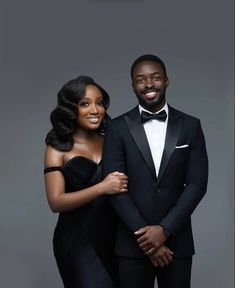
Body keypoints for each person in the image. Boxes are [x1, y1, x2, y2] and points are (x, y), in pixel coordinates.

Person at [102, 54, 208, 288]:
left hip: (177, 243)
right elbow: (114, 188)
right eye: (140, 80)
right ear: (132, 86)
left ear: (167, 81)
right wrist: (148, 238)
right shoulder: (117, 128)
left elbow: (197, 185)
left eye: (155, 77)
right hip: (132, 245)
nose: (148, 84)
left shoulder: (191, 126)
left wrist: (165, 229)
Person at [44, 75, 128, 288]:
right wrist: (102, 187)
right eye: (85, 104)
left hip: (116, 238)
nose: (95, 110)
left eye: (99, 103)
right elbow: (56, 202)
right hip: (77, 242)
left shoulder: (114, 138)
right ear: (71, 108)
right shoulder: (57, 149)